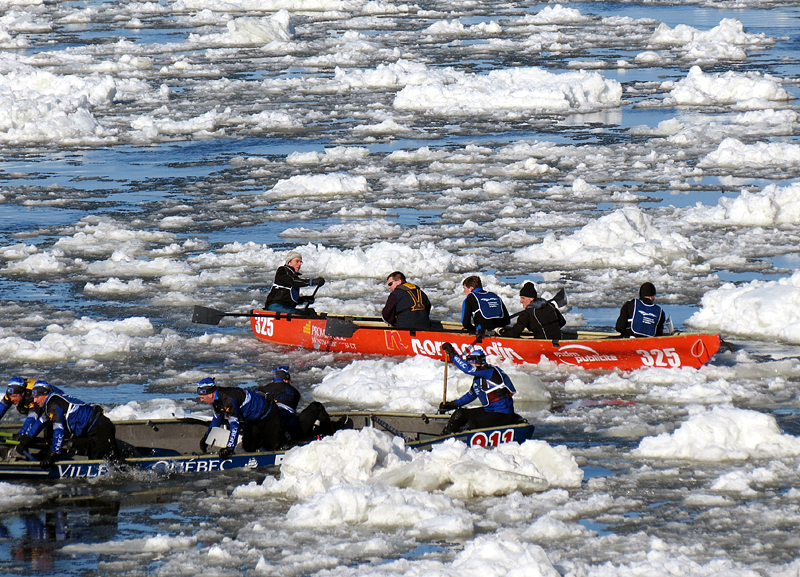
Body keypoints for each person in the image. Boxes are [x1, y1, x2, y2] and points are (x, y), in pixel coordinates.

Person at [16, 380, 121, 468]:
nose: (34, 400)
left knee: (106, 462)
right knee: (96, 459)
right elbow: (40, 422)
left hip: (99, 427)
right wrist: (26, 439)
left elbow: (59, 430)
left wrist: (53, 453)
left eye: (36, 397)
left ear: (44, 395)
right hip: (93, 429)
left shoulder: (53, 403)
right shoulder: (50, 403)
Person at [438, 344, 524, 435]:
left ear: (476, 362)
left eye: (470, 363)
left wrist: (452, 353)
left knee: (472, 425)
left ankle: (462, 440)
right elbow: (470, 395)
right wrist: (452, 405)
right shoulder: (478, 379)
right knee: (460, 413)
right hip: (489, 411)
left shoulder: (490, 371)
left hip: (503, 414)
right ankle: (444, 437)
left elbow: (467, 369)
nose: (469, 365)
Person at [257, 366, 348, 446]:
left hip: (267, 429)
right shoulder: (293, 391)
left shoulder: (262, 389)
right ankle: (330, 435)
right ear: (285, 380)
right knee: (317, 407)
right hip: (291, 432)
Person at [197, 377, 281, 458]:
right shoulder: (216, 398)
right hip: (252, 419)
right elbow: (218, 418)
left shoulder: (228, 399)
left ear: (211, 395)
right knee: (248, 447)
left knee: (273, 447)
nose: (201, 400)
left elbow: (234, 425)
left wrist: (229, 448)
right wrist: (207, 436)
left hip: (269, 414)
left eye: (202, 397)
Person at [499, 282, 566, 340]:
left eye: (523, 298)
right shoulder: (550, 305)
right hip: (559, 340)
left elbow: (514, 334)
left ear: (531, 299)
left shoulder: (527, 313)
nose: (521, 301)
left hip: (543, 345)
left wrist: (501, 331)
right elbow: (562, 322)